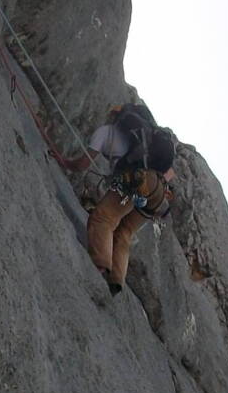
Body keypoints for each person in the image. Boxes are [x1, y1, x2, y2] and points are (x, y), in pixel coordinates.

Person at [52, 104, 178, 295]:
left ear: (115, 117)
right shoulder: (147, 143)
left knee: (104, 218)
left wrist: (64, 161)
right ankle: (116, 280)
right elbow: (171, 173)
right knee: (124, 231)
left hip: (136, 181)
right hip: (157, 190)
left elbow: (82, 164)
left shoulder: (105, 132)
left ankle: (100, 266)